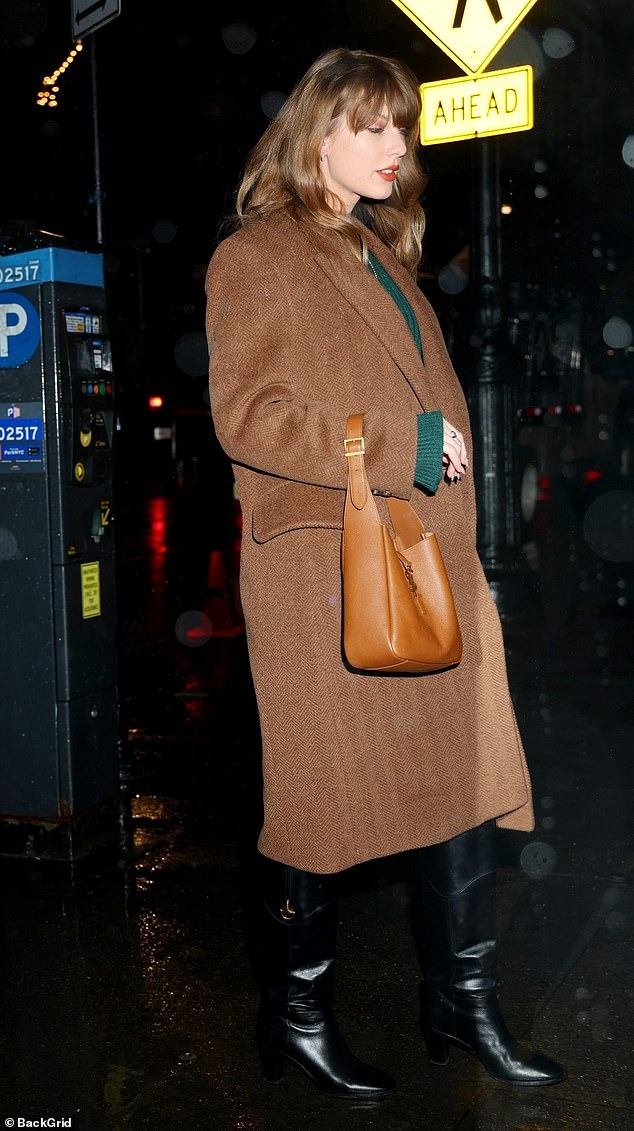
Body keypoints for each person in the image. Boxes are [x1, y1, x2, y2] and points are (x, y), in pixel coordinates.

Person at [204, 46, 564, 1099]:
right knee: (322, 804)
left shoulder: (383, 259)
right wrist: (392, 445)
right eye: (375, 127)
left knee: (459, 791)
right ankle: (300, 1017)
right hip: (329, 574)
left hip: (421, 566)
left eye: (402, 128)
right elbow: (251, 420)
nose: (398, 147)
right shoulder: (257, 256)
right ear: (315, 133)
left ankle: (462, 1006)